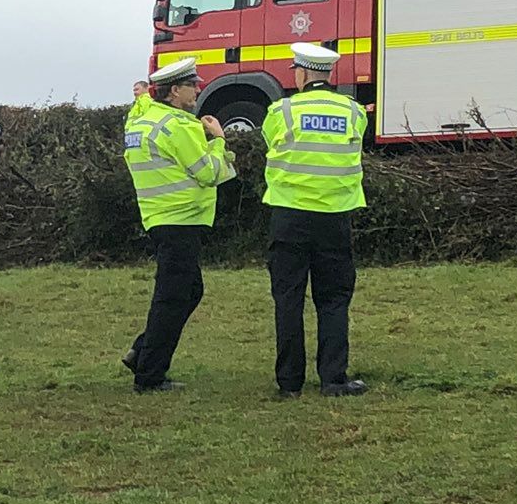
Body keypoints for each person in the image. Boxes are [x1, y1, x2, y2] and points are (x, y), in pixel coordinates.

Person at [119, 57, 235, 393]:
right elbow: (210, 173)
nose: (198, 89)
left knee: (187, 291)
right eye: (192, 85)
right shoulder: (181, 126)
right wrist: (217, 139)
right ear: (174, 91)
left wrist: (141, 94)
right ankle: (149, 375)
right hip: (181, 218)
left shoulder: (142, 117)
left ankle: (142, 352)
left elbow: (141, 102)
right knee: (172, 297)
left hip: (158, 217)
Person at [260, 42, 369, 398]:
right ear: (329, 74)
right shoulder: (354, 112)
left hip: (290, 215)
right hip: (335, 217)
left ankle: (289, 383)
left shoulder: (282, 110)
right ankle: (334, 379)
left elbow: (270, 143)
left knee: (288, 299)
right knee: (334, 299)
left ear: (302, 74)